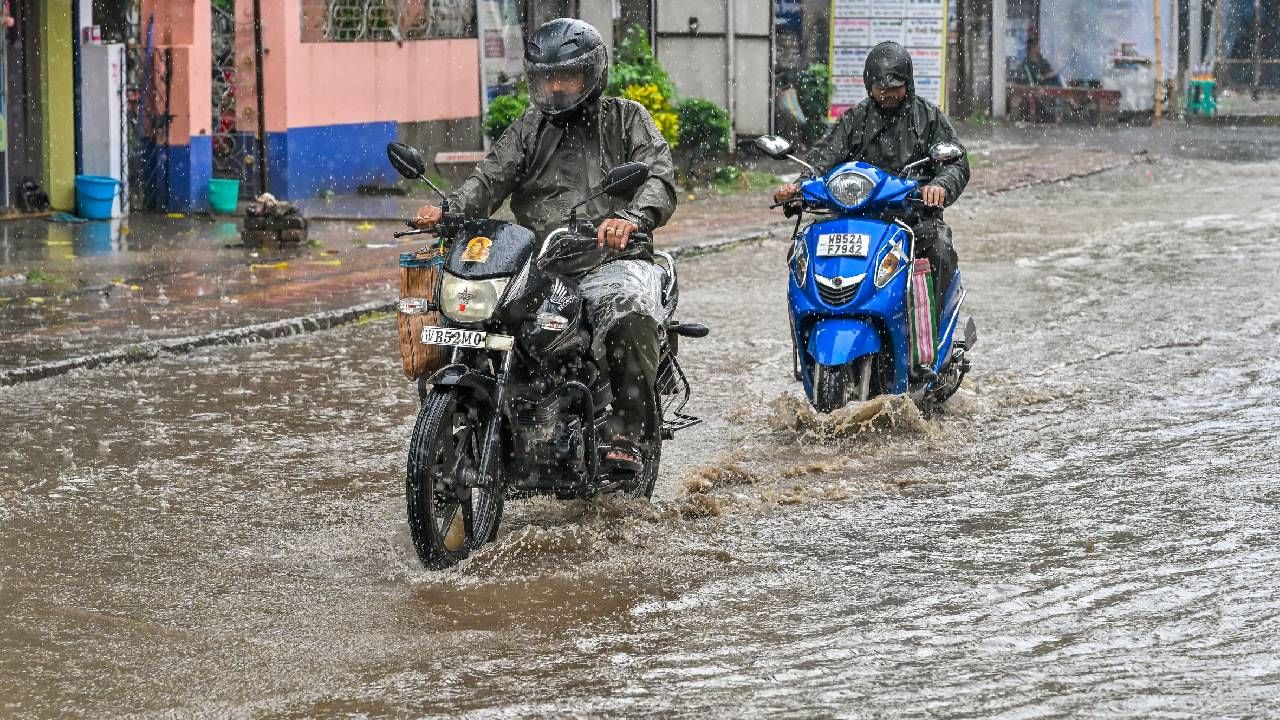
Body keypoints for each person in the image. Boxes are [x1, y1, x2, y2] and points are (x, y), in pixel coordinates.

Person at [413, 18, 678, 474]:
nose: (555, 87)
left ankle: (628, 434)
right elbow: (489, 178)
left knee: (629, 313)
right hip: (541, 261)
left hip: (611, 259)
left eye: (566, 76)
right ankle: (492, 422)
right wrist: (450, 208)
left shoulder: (627, 119)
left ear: (592, 74)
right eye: (546, 77)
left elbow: (658, 176)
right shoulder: (529, 129)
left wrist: (630, 219)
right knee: (480, 319)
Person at [774, 41, 969, 311]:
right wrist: (798, 188)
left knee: (939, 249)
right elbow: (822, 159)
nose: (888, 93)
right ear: (869, 86)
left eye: (895, 87)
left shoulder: (929, 118)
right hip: (856, 219)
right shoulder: (854, 120)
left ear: (908, 84)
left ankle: (929, 336)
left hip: (912, 219)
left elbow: (956, 162)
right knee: (806, 251)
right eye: (881, 88)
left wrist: (939, 185)